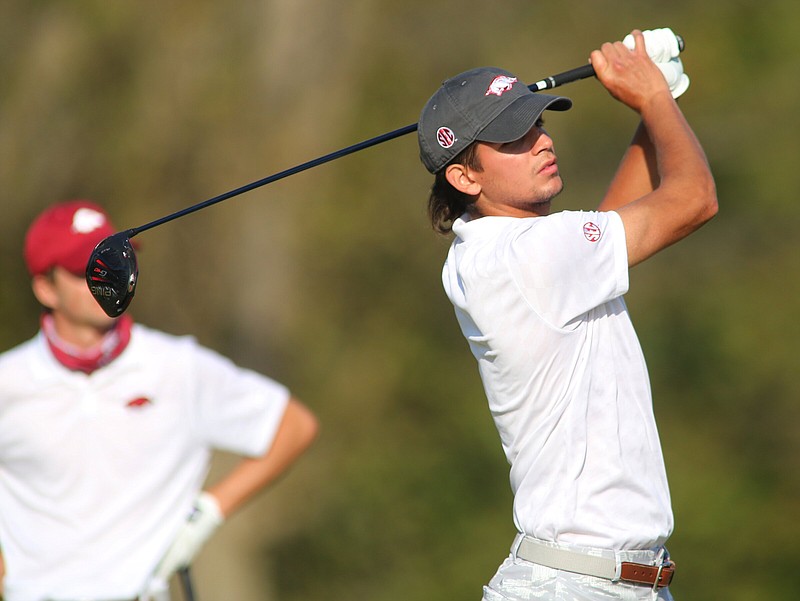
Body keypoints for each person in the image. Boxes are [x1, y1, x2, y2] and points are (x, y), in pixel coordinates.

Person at [417, 30, 717, 600]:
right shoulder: (522, 253)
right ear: (464, 176)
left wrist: (660, 102)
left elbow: (612, 221)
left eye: (537, 124)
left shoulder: (498, 249)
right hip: (576, 585)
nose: (540, 142)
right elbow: (694, 199)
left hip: (603, 582)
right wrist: (652, 99)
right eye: (512, 140)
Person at [0, 200, 319, 601]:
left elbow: (292, 426)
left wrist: (207, 514)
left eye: (114, 264)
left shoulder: (177, 368)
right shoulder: (8, 382)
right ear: (45, 287)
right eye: (87, 271)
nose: (108, 279)